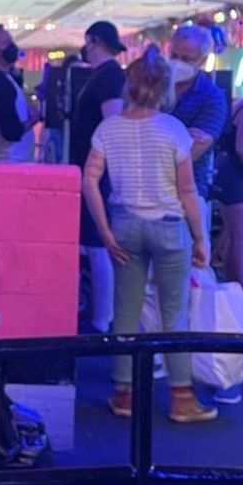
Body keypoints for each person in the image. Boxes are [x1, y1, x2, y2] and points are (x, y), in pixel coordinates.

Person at [82, 46, 218, 424]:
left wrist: (105, 229)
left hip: (124, 225)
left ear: (130, 84)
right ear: (165, 89)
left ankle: (124, 393)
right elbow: (188, 191)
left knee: (126, 312)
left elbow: (89, 179)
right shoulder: (173, 129)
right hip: (170, 227)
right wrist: (201, 238)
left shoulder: (107, 129)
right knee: (174, 313)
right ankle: (181, 398)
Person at [69, 21, 127, 333]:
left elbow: (112, 124)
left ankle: (102, 319)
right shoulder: (104, 74)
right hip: (91, 171)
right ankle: (101, 316)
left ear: (95, 40)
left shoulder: (110, 76)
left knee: (97, 245)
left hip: (97, 174)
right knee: (93, 245)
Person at [170, 24, 228, 251]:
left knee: (190, 272)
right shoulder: (152, 87)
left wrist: (152, 143)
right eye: (174, 55)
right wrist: (182, 136)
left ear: (201, 61)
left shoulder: (212, 98)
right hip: (146, 196)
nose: (177, 62)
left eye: (186, 58)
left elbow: (192, 153)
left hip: (189, 197)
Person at [0, 25, 38, 163]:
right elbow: (11, 132)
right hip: (12, 159)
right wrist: (33, 119)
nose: (12, 46)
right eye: (6, 43)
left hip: (7, 157)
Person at [215, 73, 243, 295]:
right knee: (241, 235)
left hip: (230, 172)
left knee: (234, 234)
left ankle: (234, 287)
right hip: (233, 174)